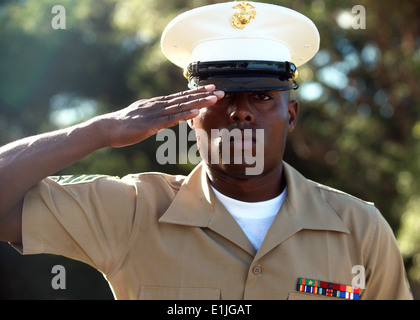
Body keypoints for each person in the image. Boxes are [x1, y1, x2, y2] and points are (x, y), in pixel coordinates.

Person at [0, 1, 412, 300]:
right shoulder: (132, 211)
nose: (241, 114)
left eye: (264, 96)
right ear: (191, 116)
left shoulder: (359, 228)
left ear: (291, 115)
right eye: (220, 97)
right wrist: (101, 130)